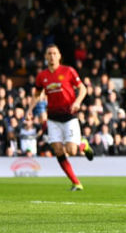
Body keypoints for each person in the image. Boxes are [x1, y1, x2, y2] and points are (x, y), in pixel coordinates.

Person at [27, 44, 94, 191]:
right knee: (57, 150)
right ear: (45, 57)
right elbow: (37, 94)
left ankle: (83, 144)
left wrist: (77, 102)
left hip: (69, 116)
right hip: (53, 118)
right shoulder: (42, 76)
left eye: (54, 53)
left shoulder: (68, 71)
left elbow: (83, 88)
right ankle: (76, 183)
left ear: (59, 56)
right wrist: (30, 110)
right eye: (49, 53)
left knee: (72, 150)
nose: (52, 56)